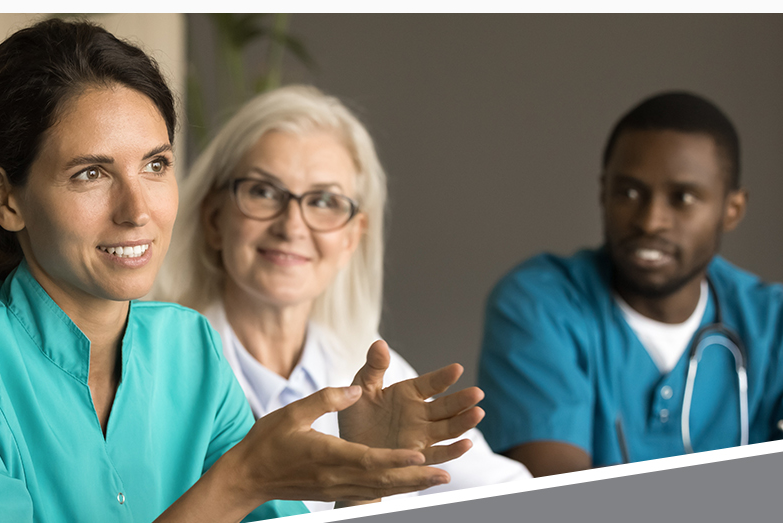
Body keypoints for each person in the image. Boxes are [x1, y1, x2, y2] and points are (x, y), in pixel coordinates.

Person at [0, 19, 473, 523]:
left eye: (155, 164)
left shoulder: (188, 347)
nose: (137, 211)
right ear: (5, 197)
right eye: (91, 173)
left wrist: (364, 486)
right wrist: (240, 482)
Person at [155, 85, 530, 512]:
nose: (292, 226)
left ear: (353, 236)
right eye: (263, 191)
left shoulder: (364, 365)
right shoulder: (152, 363)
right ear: (213, 217)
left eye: (324, 201)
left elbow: (526, 502)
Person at [475, 91, 783, 476]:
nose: (650, 221)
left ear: (731, 209)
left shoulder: (774, 323)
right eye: (629, 193)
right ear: (603, 193)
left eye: (682, 198)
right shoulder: (541, 305)